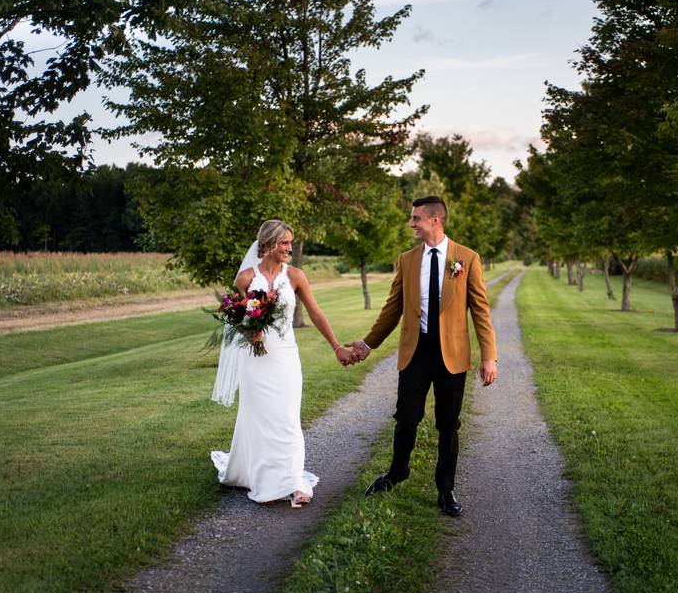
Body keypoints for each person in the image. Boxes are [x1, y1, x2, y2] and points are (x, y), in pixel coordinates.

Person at [348, 196, 497, 516]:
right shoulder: (407, 260)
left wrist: (489, 356)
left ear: (435, 220)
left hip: (452, 355)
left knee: (448, 424)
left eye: (416, 218)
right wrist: (367, 344)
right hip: (415, 353)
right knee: (406, 418)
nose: (412, 224)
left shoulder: (467, 258)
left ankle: (446, 489)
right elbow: (393, 309)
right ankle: (397, 472)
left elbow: (481, 312)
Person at [211, 219, 356, 508]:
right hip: (254, 359)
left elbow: (315, 314)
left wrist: (336, 346)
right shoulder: (245, 279)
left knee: (287, 418)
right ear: (267, 245)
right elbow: (236, 317)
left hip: (286, 356)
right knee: (259, 417)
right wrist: (251, 330)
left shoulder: (296, 276)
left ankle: (291, 480)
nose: (289, 248)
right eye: (284, 243)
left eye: (290, 242)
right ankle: (262, 476)